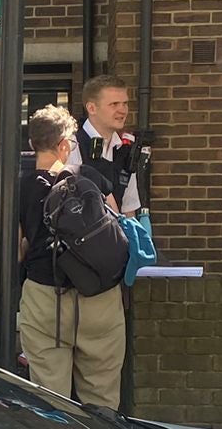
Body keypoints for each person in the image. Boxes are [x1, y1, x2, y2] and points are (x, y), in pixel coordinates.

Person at [18, 105, 126, 409]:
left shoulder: (20, 187)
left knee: (51, 400)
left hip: (45, 297)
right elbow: (117, 225)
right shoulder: (89, 176)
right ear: (65, 144)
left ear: (33, 144)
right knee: (102, 396)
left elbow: (17, 248)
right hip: (99, 296)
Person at [68, 75, 143, 215]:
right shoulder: (72, 146)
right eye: (114, 104)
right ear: (91, 108)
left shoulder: (125, 150)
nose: (123, 110)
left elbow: (128, 209)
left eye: (125, 103)